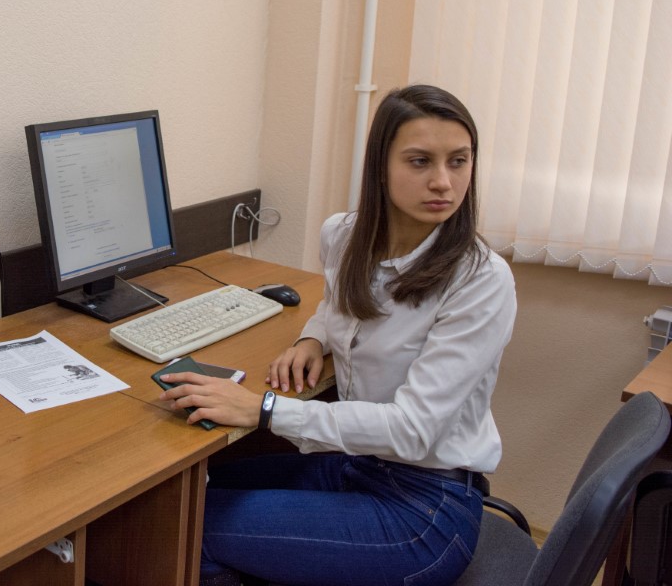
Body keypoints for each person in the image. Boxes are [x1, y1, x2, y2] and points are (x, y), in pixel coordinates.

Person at [159, 85, 516, 586]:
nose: (443, 181)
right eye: (420, 161)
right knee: (179, 501)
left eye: (458, 161)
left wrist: (264, 410)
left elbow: (413, 430)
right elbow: (338, 303)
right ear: (380, 167)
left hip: (425, 510)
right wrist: (313, 339)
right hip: (358, 468)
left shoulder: (481, 280)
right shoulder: (344, 236)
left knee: (182, 532)